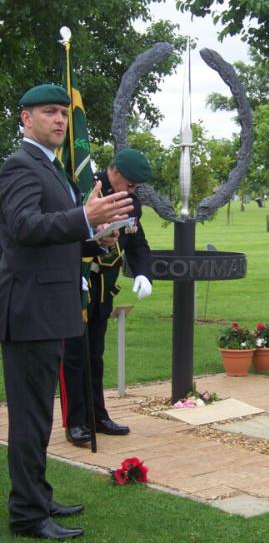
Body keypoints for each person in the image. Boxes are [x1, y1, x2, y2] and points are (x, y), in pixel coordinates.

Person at [0, 84, 134, 539]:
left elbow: (53, 235)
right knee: (31, 417)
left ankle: (37, 496)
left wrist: (94, 238)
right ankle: (26, 514)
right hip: (30, 310)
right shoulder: (21, 165)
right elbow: (23, 227)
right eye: (49, 113)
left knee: (38, 412)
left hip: (50, 307)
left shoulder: (52, 167)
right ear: (25, 119)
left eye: (62, 113)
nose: (60, 120)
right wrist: (85, 219)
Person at [63, 149, 153, 446]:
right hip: (78, 285)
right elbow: (66, 232)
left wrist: (142, 273)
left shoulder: (130, 203)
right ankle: (76, 422)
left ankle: (97, 415)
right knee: (75, 357)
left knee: (95, 356)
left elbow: (136, 240)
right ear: (115, 173)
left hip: (102, 292)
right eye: (130, 184)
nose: (133, 191)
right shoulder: (87, 189)